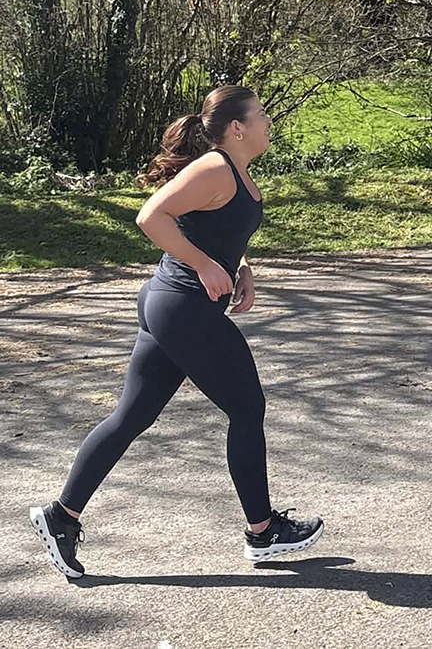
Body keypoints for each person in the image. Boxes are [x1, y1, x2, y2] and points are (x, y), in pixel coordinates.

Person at [30, 85, 323, 578]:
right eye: (261, 114)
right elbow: (151, 216)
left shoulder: (234, 172)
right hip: (183, 307)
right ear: (237, 127)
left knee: (131, 416)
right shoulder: (214, 168)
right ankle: (262, 531)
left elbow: (212, 229)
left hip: (174, 307)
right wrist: (205, 266)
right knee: (247, 408)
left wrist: (241, 267)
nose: (269, 121)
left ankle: (62, 517)